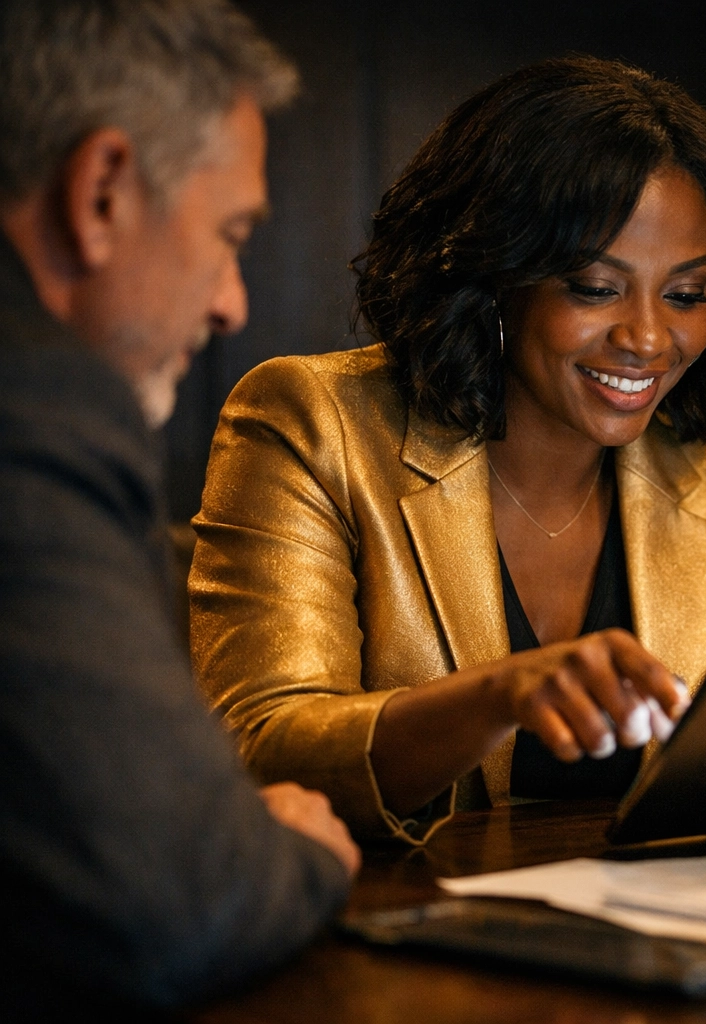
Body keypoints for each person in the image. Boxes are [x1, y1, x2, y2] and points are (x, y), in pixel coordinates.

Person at [189, 56, 706, 845]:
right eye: (596, 288)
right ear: (492, 277)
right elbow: (261, 751)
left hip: (665, 941)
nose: (649, 339)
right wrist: (494, 699)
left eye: (687, 294)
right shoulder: (312, 423)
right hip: (402, 938)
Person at [0, 0, 358, 1011]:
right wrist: (289, 848)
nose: (232, 302)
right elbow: (173, 900)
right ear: (103, 189)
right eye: (230, 233)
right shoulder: (36, 406)